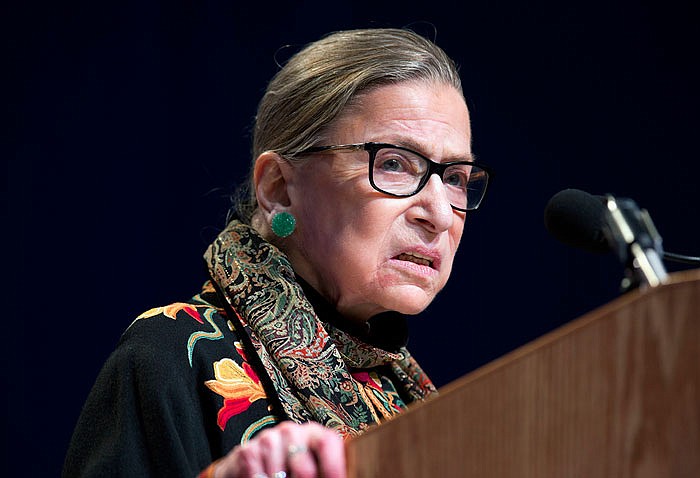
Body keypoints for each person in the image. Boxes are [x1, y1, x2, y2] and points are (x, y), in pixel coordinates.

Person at [62, 27, 492, 478]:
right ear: (280, 188)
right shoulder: (170, 355)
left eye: (456, 178)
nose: (440, 214)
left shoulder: (402, 391)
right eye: (394, 163)